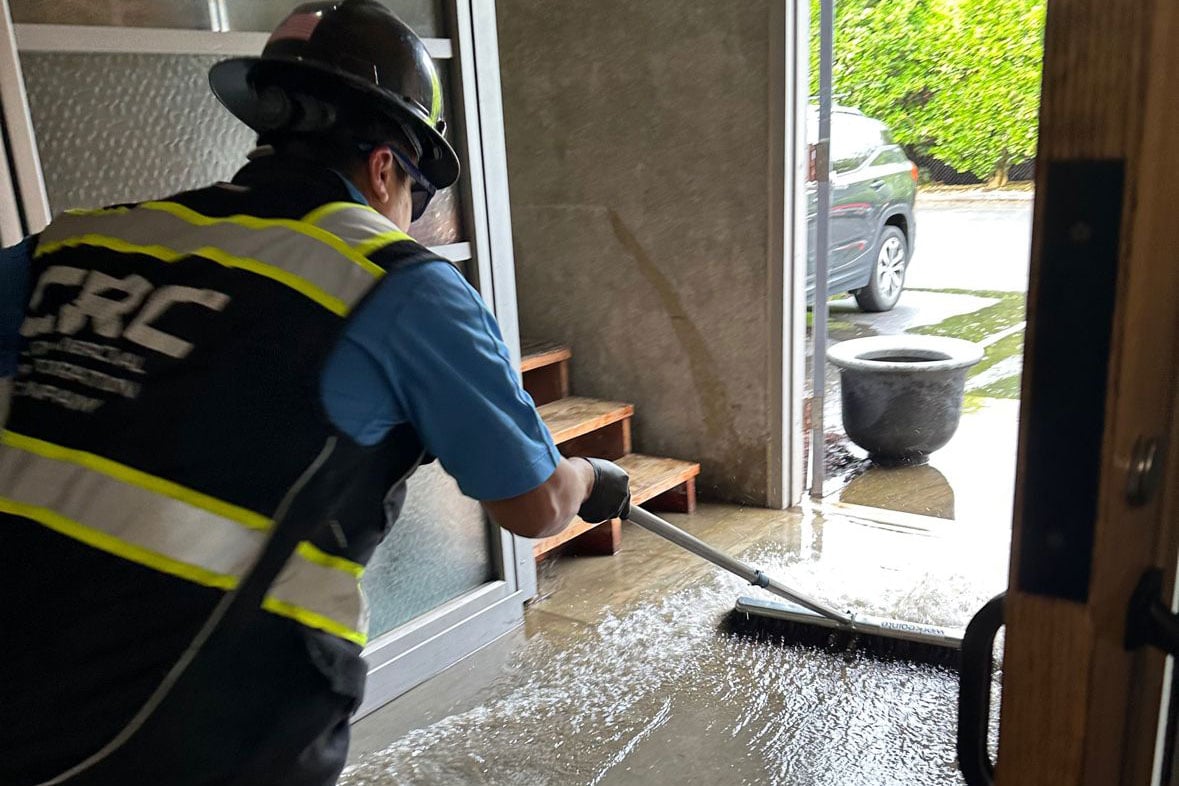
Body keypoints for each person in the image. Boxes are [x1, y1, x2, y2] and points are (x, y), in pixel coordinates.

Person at [0, 2, 630, 784]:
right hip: (206, 722)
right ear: (385, 169)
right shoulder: (397, 284)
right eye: (415, 198)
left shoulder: (81, 242)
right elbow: (533, 505)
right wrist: (589, 479)